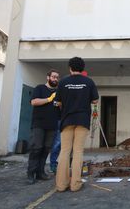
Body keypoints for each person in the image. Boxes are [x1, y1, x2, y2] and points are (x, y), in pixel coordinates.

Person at [55, 57, 99, 192]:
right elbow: (95, 101)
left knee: (64, 151)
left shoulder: (63, 82)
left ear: (70, 68)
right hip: (82, 120)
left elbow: (57, 102)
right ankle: (75, 184)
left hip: (67, 120)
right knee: (78, 151)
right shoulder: (89, 82)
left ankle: (61, 185)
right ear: (83, 68)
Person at [27, 69, 60, 184]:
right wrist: (49, 99)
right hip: (39, 124)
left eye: (57, 77)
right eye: (53, 77)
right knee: (36, 148)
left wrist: (60, 104)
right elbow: (34, 102)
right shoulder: (40, 88)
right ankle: (31, 174)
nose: (55, 79)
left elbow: (60, 107)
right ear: (48, 77)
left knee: (46, 149)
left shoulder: (58, 92)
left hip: (52, 125)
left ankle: (40, 173)